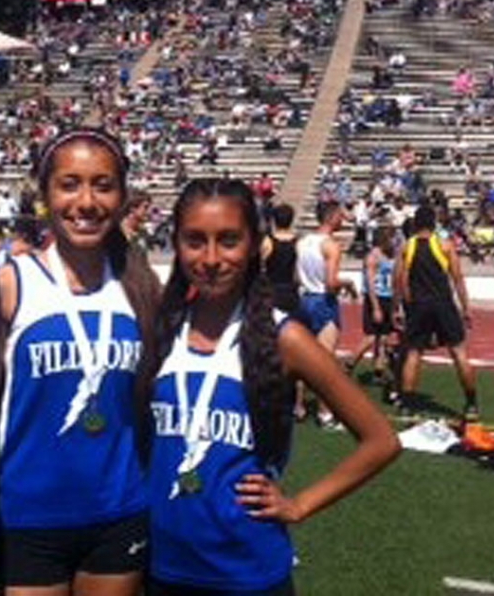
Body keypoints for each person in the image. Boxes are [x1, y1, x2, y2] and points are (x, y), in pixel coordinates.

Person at [139, 178, 399, 595]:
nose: (210, 258)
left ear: (255, 245)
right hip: (162, 568)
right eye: (194, 241)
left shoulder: (286, 338)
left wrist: (298, 505)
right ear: (175, 243)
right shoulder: (161, 328)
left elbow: (381, 440)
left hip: (249, 573)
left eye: (228, 240)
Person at [0, 126, 160, 596]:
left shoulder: (140, 289)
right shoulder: (11, 284)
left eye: (103, 185)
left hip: (119, 511)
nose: (86, 201)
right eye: (69, 184)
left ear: (122, 196)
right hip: (30, 515)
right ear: (45, 194)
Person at [394, 204, 479, 420]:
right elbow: (457, 278)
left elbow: (400, 281)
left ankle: (407, 405)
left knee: (414, 353)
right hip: (443, 304)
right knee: (458, 352)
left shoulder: (406, 247)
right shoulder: (445, 245)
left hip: (418, 306)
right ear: (434, 223)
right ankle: (471, 404)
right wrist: (466, 307)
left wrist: (399, 307)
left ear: (415, 224)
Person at [295, 201, 359, 428]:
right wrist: (348, 284)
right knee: (325, 362)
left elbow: (296, 277)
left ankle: (298, 406)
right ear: (332, 217)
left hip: (304, 299)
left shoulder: (302, 242)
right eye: (341, 216)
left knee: (302, 358)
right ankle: (325, 413)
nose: (343, 220)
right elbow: (331, 283)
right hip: (323, 301)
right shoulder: (331, 245)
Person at [346, 226, 398, 393]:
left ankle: (378, 370)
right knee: (371, 336)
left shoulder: (392, 255)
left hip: (389, 298)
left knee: (384, 337)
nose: (394, 241)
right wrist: (375, 306)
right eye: (391, 237)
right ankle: (350, 363)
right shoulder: (373, 256)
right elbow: (370, 283)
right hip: (376, 298)